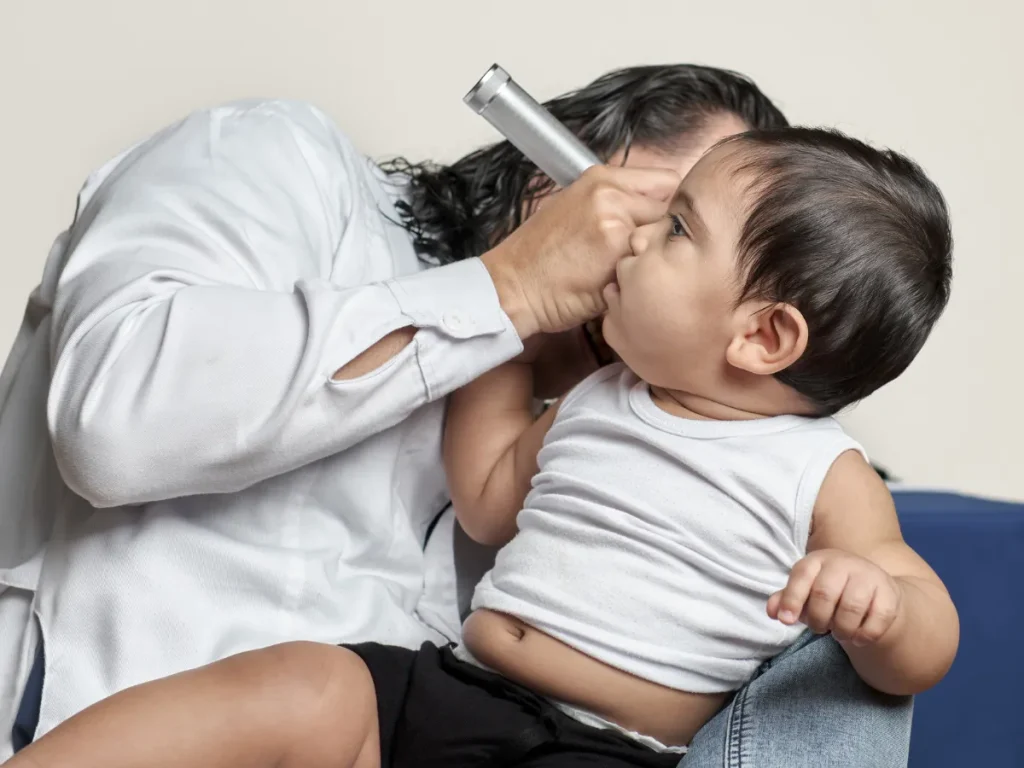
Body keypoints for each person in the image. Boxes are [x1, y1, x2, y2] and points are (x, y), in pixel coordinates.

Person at [0, 65, 912, 766]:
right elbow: (113, 428)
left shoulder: (620, 428)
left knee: (844, 644)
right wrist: (506, 289)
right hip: (161, 719)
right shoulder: (285, 160)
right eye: (661, 214)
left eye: (680, 236)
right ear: (564, 154)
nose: (635, 251)